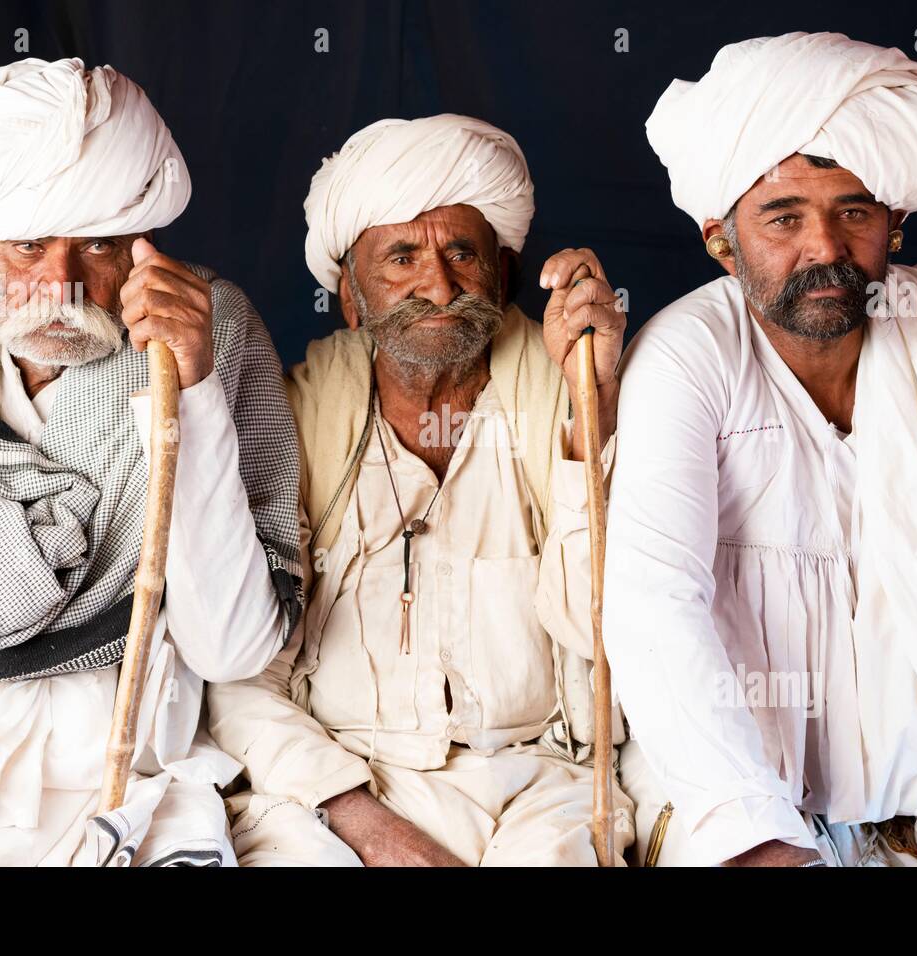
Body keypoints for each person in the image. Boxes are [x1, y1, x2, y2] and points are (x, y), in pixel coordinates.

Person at [606, 32, 917, 867]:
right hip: (750, 805)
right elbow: (655, 608)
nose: (827, 251)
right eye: (784, 218)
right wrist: (758, 840)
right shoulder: (685, 357)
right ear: (720, 241)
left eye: (855, 211)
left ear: (897, 225)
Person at [0, 58, 302, 866]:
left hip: (133, 800)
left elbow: (231, 647)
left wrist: (191, 392)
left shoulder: (208, 331)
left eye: (99, 245)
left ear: (146, 243)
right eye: (28, 245)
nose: (63, 285)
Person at [209, 114, 634, 866]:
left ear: (500, 273)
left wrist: (588, 410)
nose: (437, 285)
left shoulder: (563, 404)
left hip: (544, 783)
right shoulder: (295, 424)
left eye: (461, 253)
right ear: (352, 296)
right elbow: (238, 681)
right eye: (401, 258)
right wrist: (365, 822)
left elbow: (607, 632)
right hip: (338, 792)